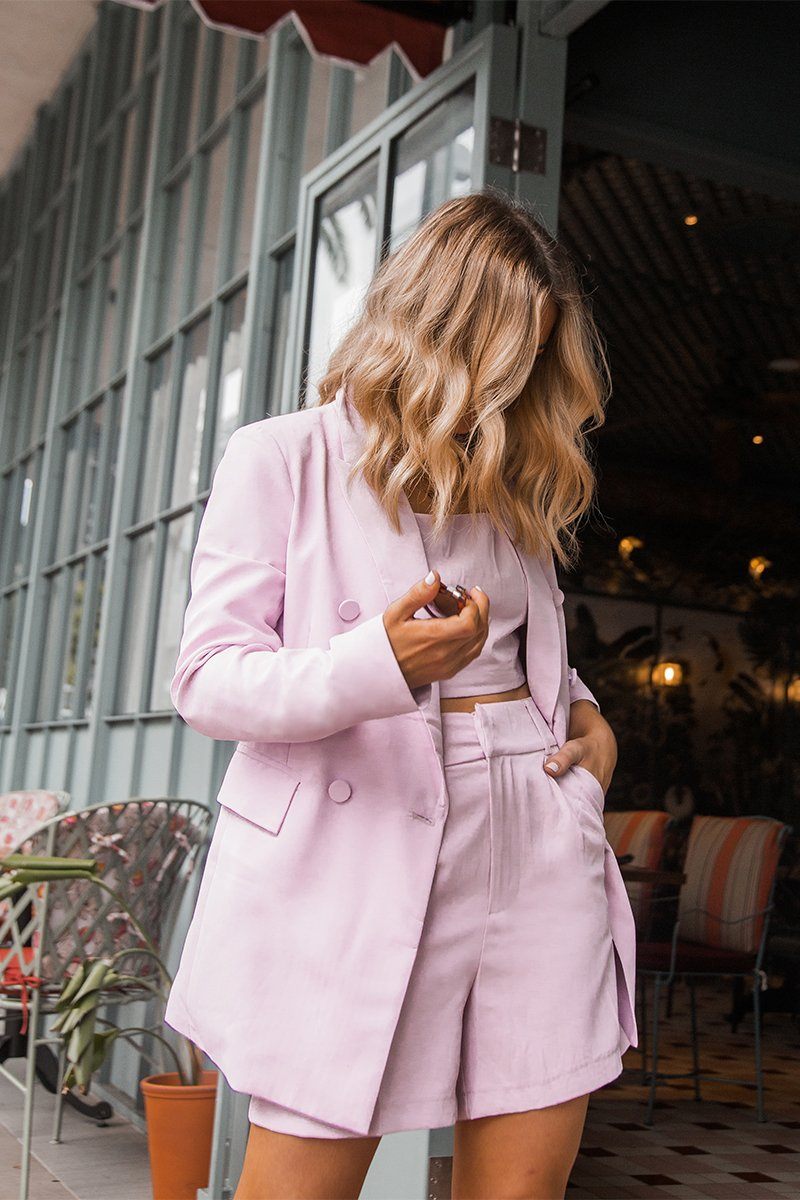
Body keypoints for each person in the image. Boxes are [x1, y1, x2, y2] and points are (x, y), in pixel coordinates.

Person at [164, 187, 638, 1200]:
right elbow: (206, 678)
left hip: (534, 835)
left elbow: (520, 651)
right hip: (359, 849)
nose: (511, 390)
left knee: (517, 1192)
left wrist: (587, 722)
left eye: (533, 363)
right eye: (499, 359)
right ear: (428, 330)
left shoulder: (508, 479)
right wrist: (375, 665)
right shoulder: (282, 458)